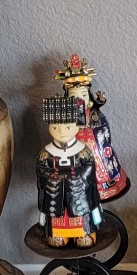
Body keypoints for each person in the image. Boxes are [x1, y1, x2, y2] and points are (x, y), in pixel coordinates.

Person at [55, 54, 129, 200]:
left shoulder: (95, 114)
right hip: (76, 152)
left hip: (96, 150)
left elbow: (103, 131)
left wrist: (93, 134)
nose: (79, 100)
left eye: (83, 95)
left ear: (89, 97)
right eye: (73, 97)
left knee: (100, 166)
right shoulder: (66, 117)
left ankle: (105, 186)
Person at [37, 94, 102, 247]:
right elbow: (41, 170)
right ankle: (58, 234)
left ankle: (84, 232)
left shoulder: (82, 151)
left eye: (67, 127)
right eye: (55, 127)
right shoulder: (46, 152)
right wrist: (55, 177)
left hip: (79, 193)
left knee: (82, 213)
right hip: (55, 194)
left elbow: (89, 169)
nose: (61, 132)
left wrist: (71, 176)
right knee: (56, 217)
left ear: (77, 125)